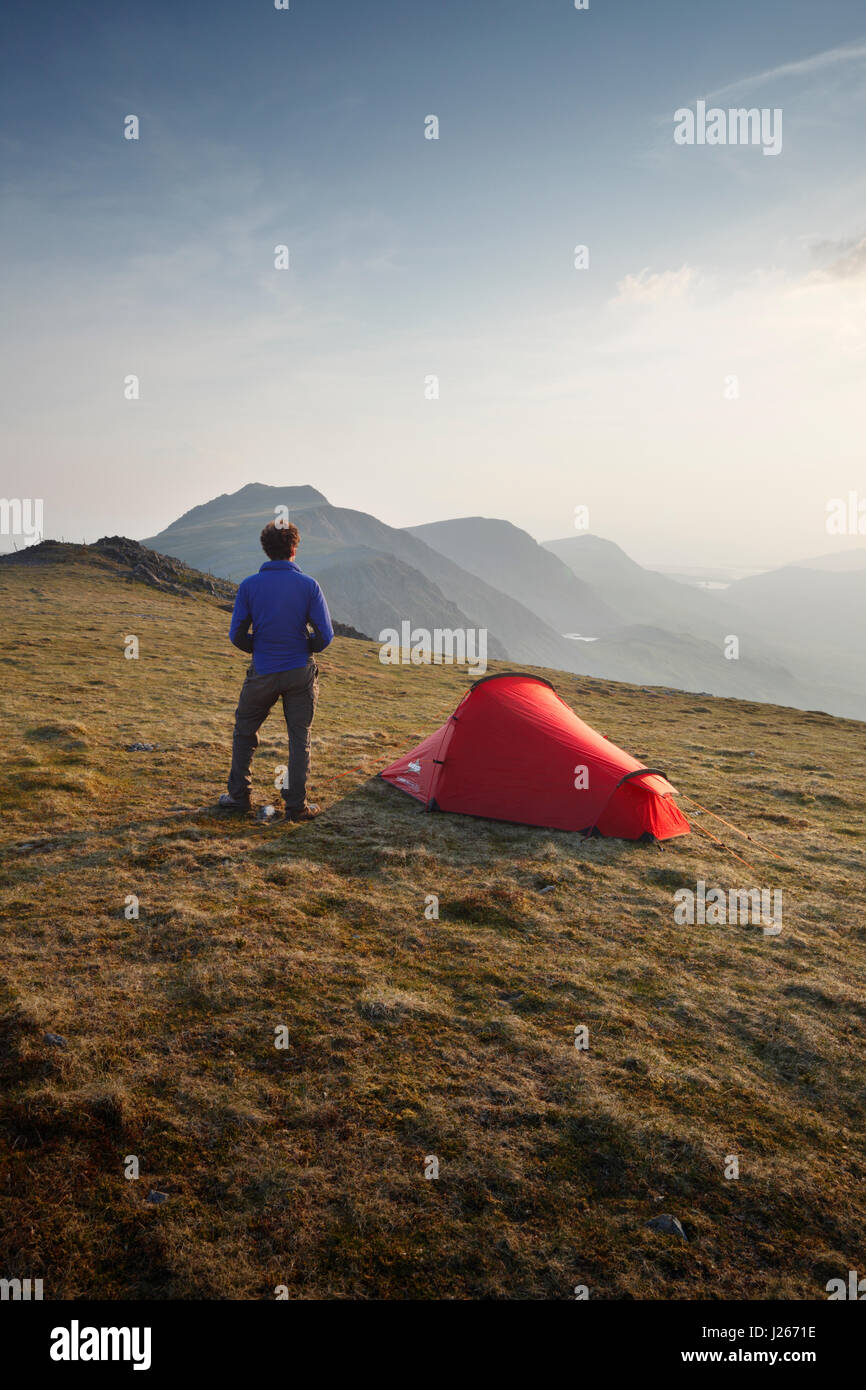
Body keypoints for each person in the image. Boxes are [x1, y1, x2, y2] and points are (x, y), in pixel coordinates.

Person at [219, 519, 333, 820]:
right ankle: (296, 806)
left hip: (263, 670)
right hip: (300, 671)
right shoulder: (309, 586)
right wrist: (306, 645)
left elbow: (237, 634)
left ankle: (238, 796)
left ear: (266, 549)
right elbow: (326, 635)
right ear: (294, 549)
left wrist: (258, 647)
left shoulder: (249, 586)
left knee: (245, 732)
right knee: (299, 737)